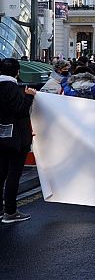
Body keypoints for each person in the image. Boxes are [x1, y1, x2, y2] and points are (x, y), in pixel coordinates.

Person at [0, 59, 36, 223]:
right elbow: (20, 110)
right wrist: (29, 97)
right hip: (16, 138)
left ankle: (1, 210)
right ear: (17, 72)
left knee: (1, 173)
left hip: (1, 136)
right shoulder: (12, 88)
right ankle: (11, 211)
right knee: (14, 174)